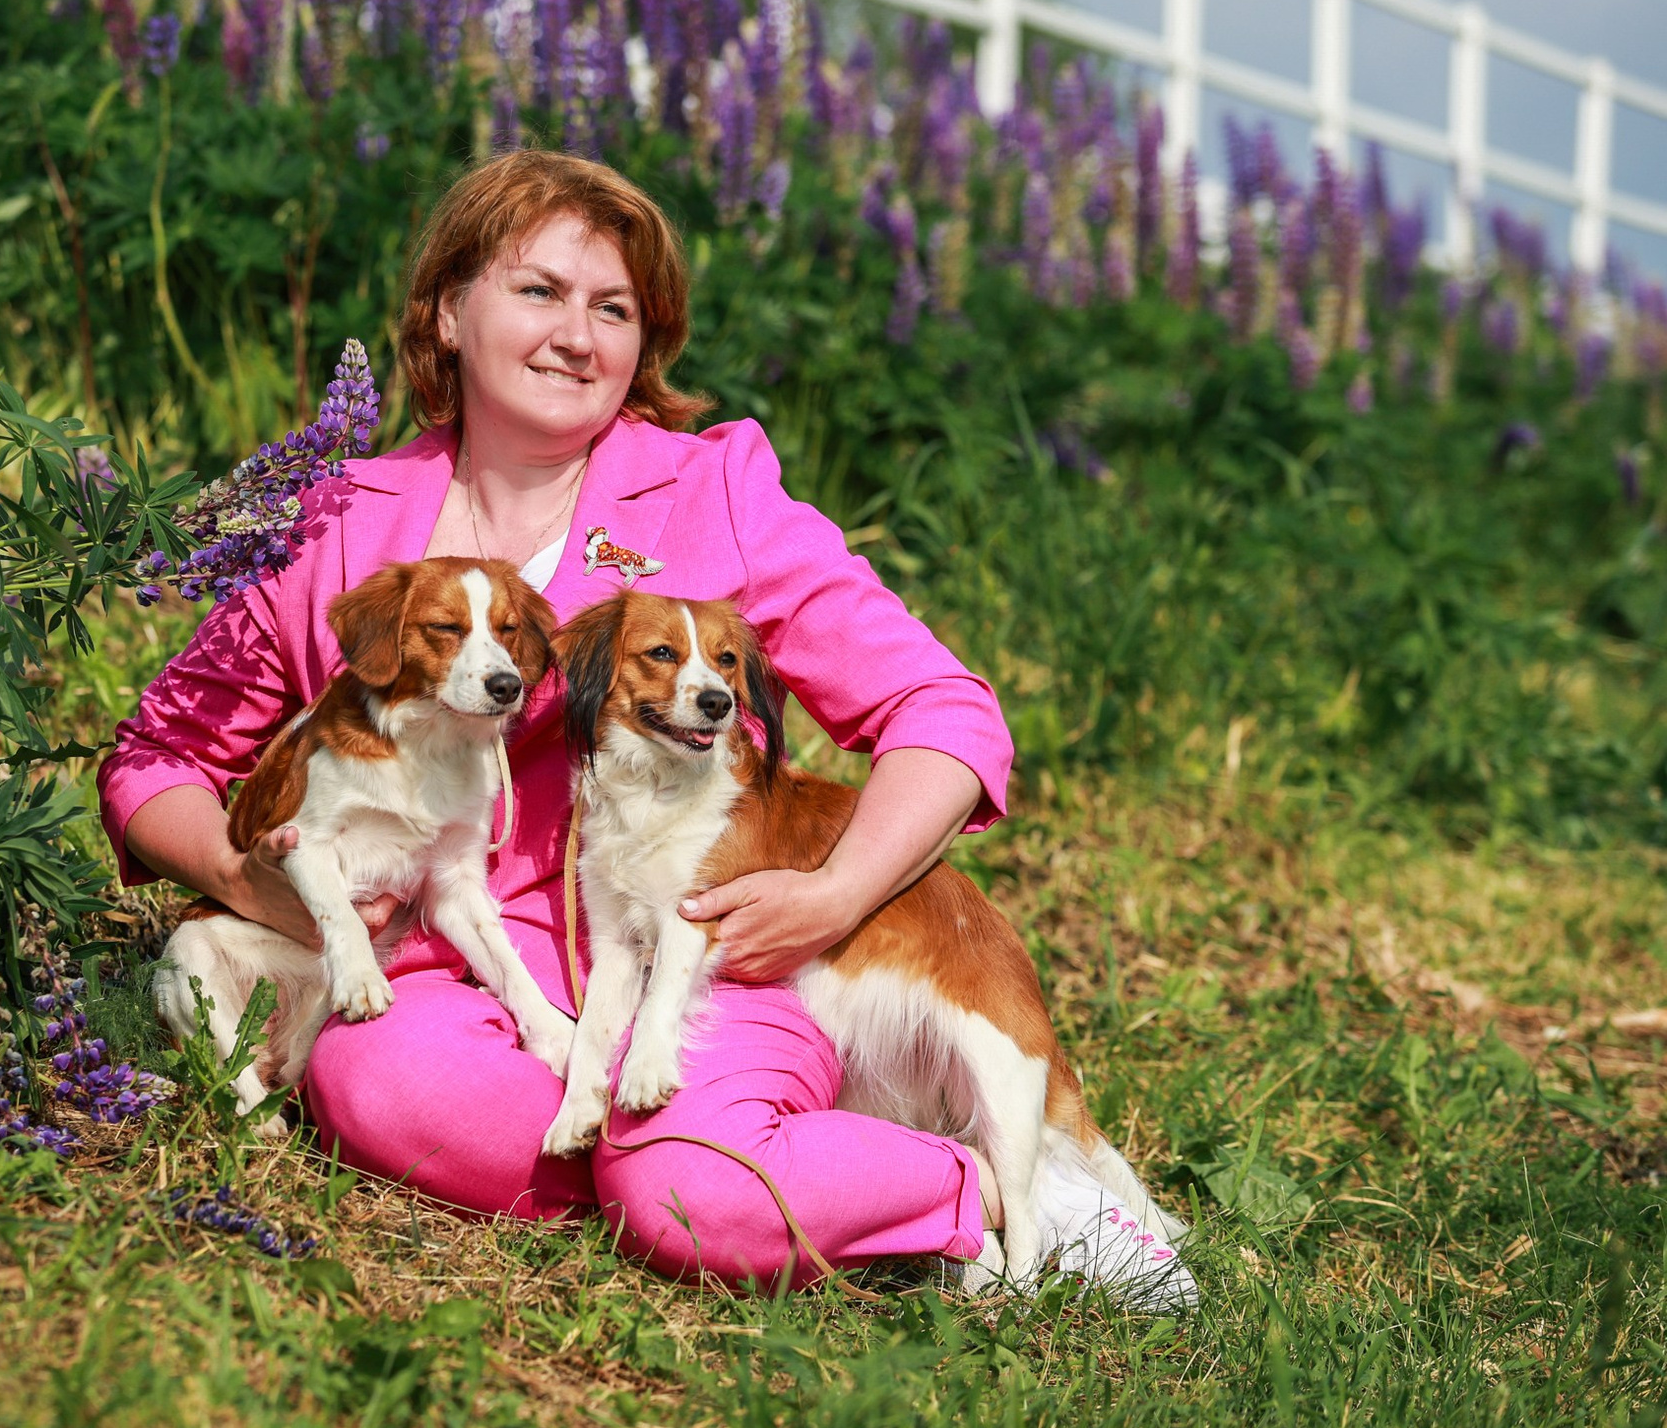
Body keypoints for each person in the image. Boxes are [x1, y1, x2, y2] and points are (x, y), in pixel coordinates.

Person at [100, 150, 1184, 1297]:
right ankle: (742, 1184)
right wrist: (239, 874)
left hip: (706, 968)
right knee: (381, 1091)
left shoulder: (714, 492)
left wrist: (834, 892)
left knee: (687, 1189)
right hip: (453, 974)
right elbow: (158, 755)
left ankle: (1001, 1196)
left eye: (612, 308)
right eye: (539, 291)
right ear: (448, 313)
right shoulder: (339, 523)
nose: (578, 333)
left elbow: (944, 710)